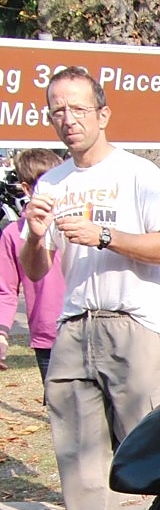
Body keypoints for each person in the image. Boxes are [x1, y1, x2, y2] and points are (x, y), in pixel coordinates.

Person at [20, 66, 160, 510]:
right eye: (56, 111)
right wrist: (36, 234)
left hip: (135, 320)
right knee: (76, 447)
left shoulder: (139, 175)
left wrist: (105, 235)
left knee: (151, 445)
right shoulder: (51, 183)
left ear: (103, 114)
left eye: (77, 109)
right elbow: (36, 269)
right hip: (75, 324)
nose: (66, 120)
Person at [0, 148, 67, 382]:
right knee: (59, 414)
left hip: (88, 331)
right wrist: (2, 333)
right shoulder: (12, 234)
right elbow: (6, 290)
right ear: (27, 189)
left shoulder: (78, 223)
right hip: (47, 337)